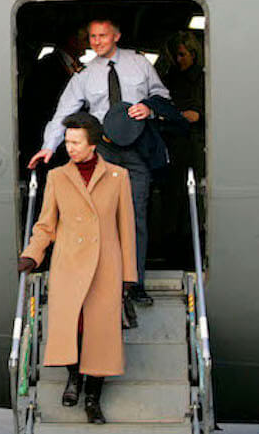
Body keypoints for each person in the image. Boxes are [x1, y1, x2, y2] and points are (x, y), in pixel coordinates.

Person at [27, 18, 174, 306]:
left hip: (137, 150)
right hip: (104, 152)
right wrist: (48, 147)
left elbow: (162, 96)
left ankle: (135, 283)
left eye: (102, 36)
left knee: (135, 217)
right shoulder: (84, 75)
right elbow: (63, 113)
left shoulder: (139, 64)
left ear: (116, 36)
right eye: (92, 36)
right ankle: (101, 282)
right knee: (100, 219)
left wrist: (149, 107)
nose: (96, 41)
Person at [18, 112, 137, 423]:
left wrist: (128, 275)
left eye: (75, 142)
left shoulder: (118, 177)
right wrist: (32, 254)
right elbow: (46, 224)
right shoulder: (57, 177)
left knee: (101, 334)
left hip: (105, 267)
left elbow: (127, 229)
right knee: (74, 327)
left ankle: (93, 397)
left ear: (92, 144)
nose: (69, 147)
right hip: (69, 265)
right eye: (67, 141)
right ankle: (74, 379)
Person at [158, 31, 206, 266]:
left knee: (191, 198)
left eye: (182, 54)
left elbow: (201, 113)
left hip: (193, 145)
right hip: (172, 144)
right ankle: (173, 249)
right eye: (176, 55)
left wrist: (192, 115)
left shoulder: (203, 80)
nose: (179, 60)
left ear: (193, 54)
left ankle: (189, 248)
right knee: (172, 200)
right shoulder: (170, 79)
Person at [18, 23, 87, 169]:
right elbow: (41, 103)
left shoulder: (80, 67)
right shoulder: (46, 67)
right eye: (85, 38)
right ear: (72, 41)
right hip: (46, 133)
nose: (88, 43)